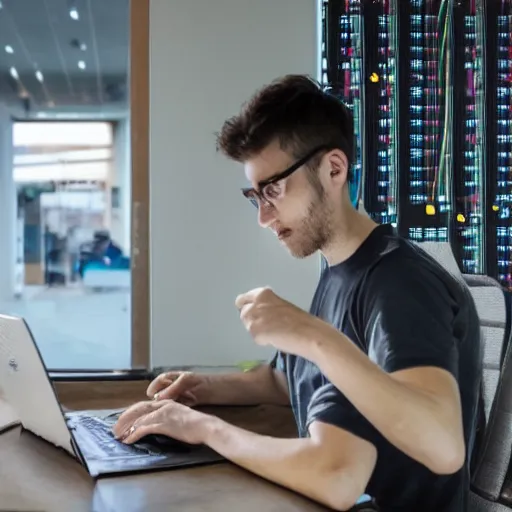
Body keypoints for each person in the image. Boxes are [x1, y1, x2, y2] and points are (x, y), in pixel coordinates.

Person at [113, 75, 482, 511]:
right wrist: (200, 389)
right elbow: (288, 378)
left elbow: (441, 447)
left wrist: (204, 429)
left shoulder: (398, 283)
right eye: (255, 196)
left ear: (333, 170)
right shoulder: (340, 269)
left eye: (274, 189)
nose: (264, 217)